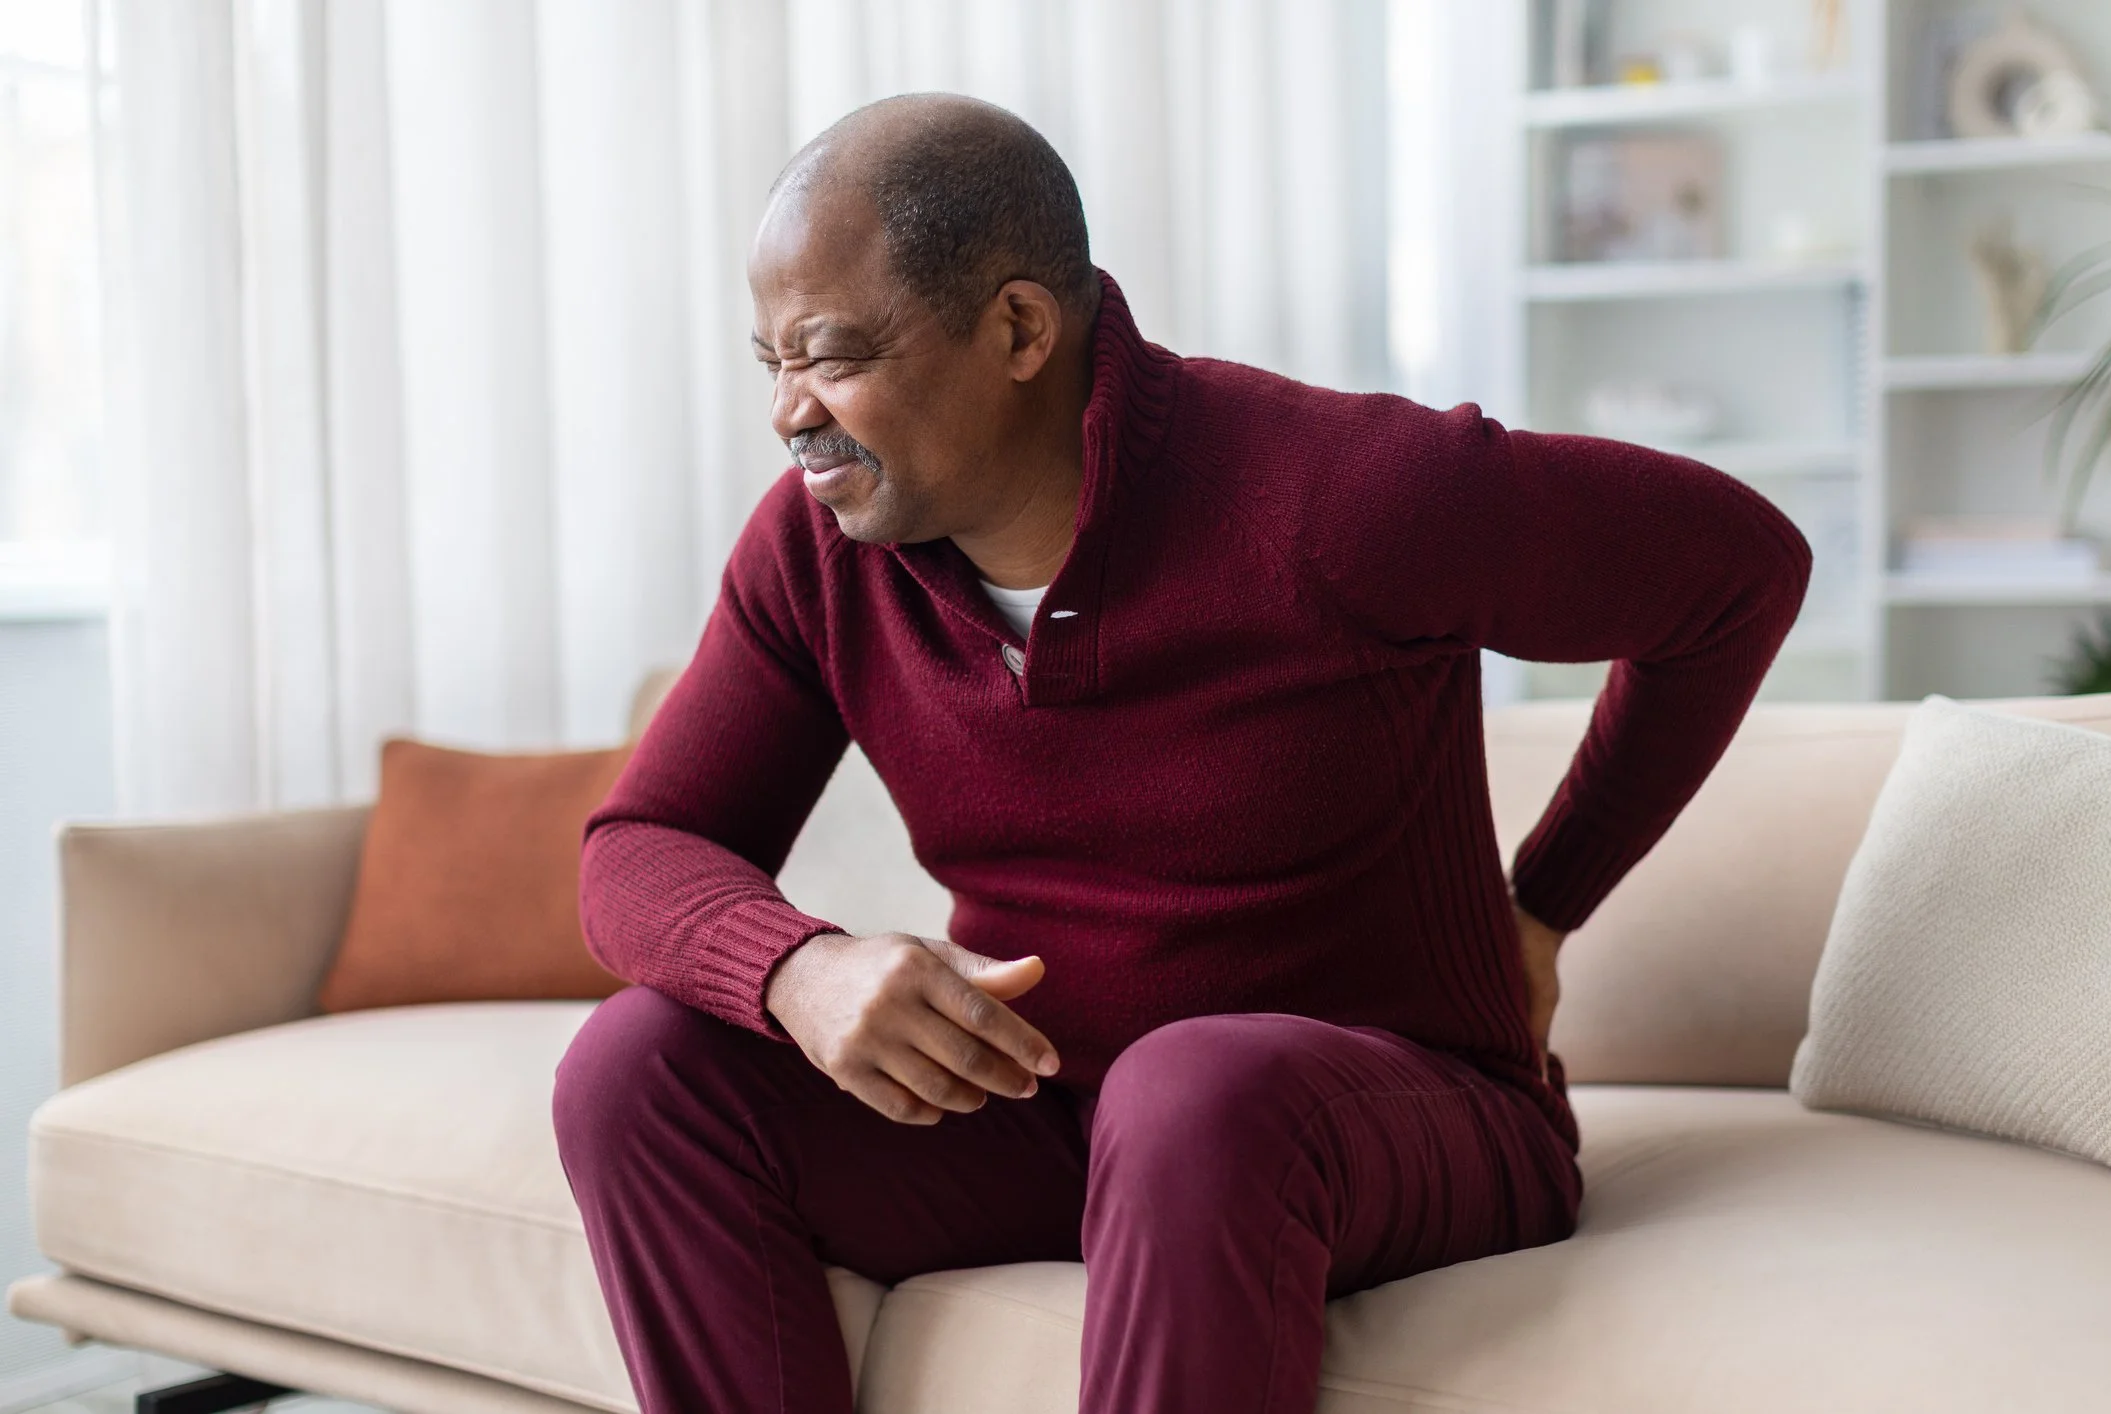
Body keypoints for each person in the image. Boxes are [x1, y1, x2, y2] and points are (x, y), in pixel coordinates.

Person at [550, 92, 1811, 1414]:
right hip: (1059, 1107)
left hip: (1408, 1106)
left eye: (832, 355)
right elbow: (637, 848)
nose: (790, 415)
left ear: (1021, 330)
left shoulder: (1342, 492)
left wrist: (1546, 902)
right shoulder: (818, 553)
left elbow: (1737, 573)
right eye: (770, 362)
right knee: (641, 1072)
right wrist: (798, 965)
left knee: (1191, 1087)